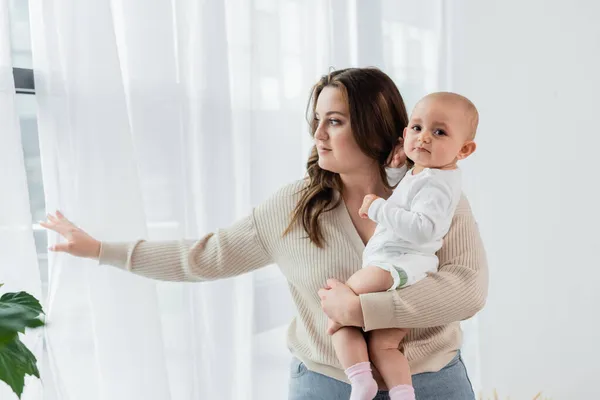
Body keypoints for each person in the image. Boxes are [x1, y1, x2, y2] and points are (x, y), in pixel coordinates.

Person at [41, 67, 487, 400]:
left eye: (335, 120)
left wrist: (362, 309)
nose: (318, 135)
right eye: (316, 120)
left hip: (432, 383)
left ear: (374, 123)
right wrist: (99, 249)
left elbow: (467, 290)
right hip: (326, 386)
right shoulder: (293, 208)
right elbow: (203, 257)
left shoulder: (431, 193)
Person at [328, 92, 479, 400]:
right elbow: (409, 194)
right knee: (384, 344)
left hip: (395, 262)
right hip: (405, 266)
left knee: (336, 309)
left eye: (439, 132)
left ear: (464, 149)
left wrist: (377, 209)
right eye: (416, 127)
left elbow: (423, 228)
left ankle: (359, 380)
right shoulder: (431, 174)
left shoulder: (437, 185)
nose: (423, 138)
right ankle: (402, 392)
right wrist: (398, 169)